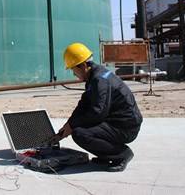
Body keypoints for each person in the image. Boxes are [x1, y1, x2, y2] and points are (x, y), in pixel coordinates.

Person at [55, 42, 143, 172]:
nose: (74, 74)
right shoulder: (95, 76)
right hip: (119, 122)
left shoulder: (99, 80)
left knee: (80, 134)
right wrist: (68, 125)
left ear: (83, 66)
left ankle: (122, 154)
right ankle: (106, 155)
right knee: (78, 127)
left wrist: (73, 126)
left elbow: (97, 113)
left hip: (126, 127)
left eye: (74, 70)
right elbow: (83, 104)